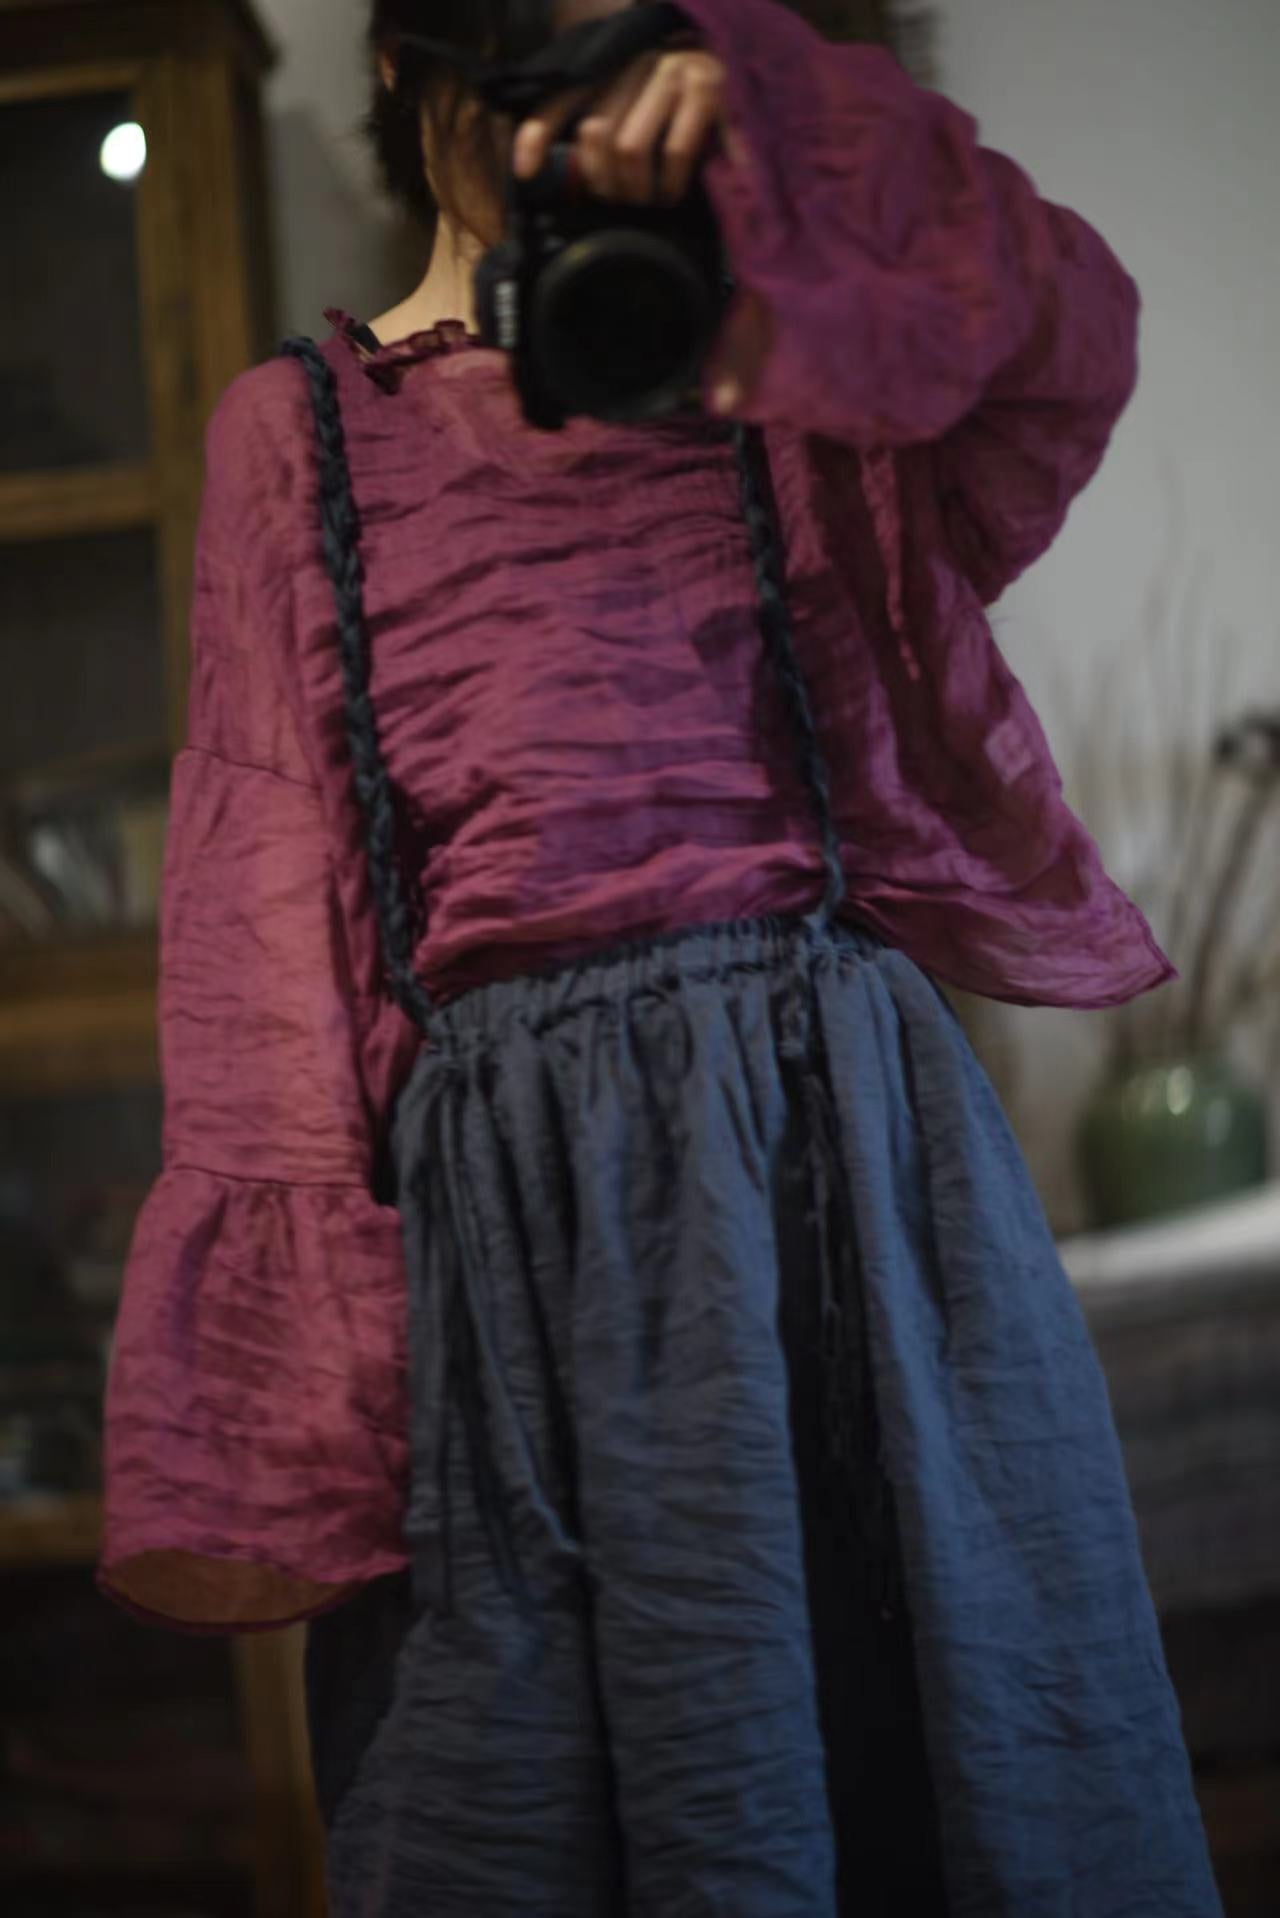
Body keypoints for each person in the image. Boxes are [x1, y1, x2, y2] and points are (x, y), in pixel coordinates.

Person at [99, 1, 1223, 1913]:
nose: (569, 135)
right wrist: (327, 1389)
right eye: (531, 79)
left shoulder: (799, 365)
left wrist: (777, 113)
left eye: (613, 69)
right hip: (524, 1263)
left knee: (951, 1770)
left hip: (845, 1184)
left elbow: (1064, 328)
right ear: (408, 65)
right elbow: (261, 925)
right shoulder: (300, 434)